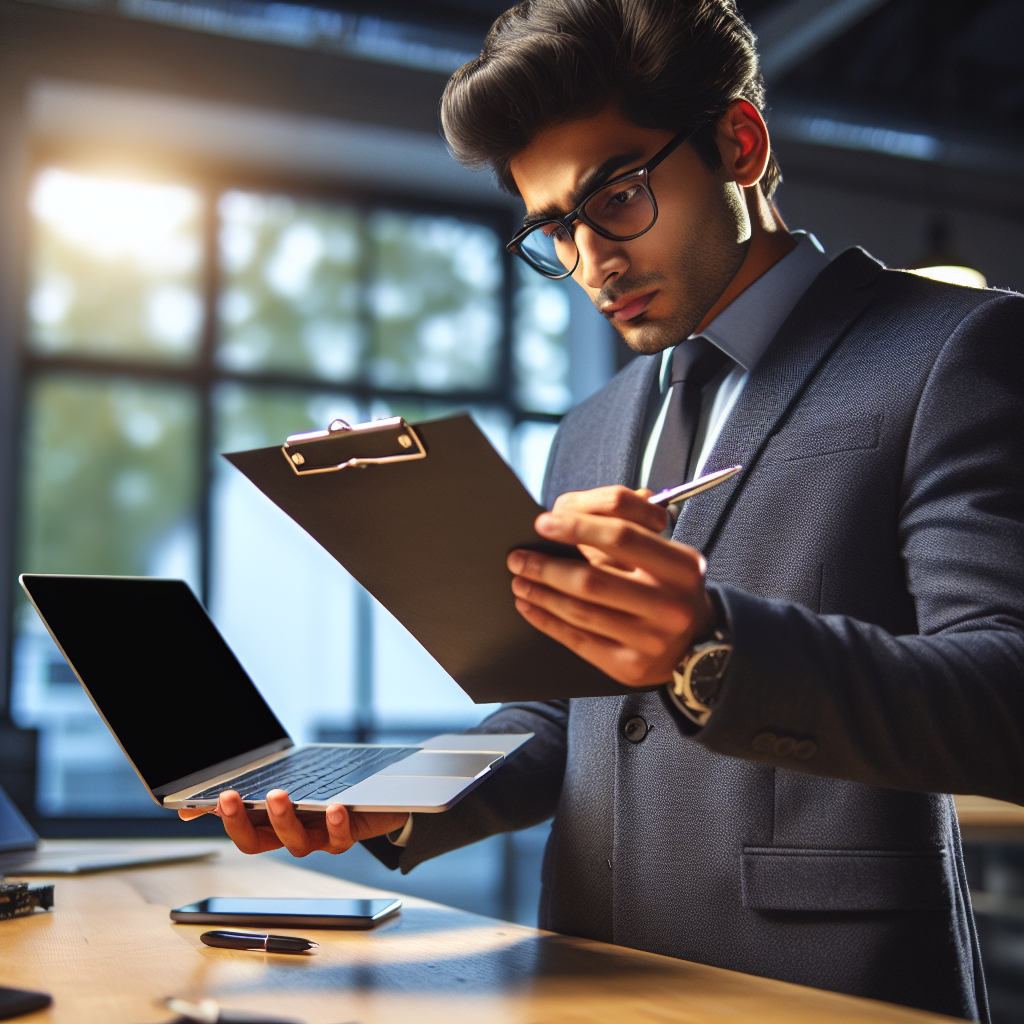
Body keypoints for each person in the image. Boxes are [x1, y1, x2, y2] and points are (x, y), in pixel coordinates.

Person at [181, 2, 1023, 1019]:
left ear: (739, 144)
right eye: (555, 230)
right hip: (587, 972)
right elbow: (563, 714)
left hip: (827, 987)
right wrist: (390, 802)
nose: (592, 263)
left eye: (616, 197)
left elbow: (1006, 692)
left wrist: (711, 647)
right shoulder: (588, 427)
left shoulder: (954, 351)